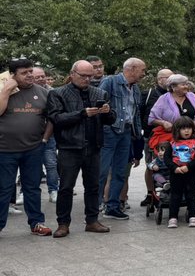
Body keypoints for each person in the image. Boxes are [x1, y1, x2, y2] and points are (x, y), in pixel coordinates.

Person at [46, 60, 114, 237]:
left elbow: (111, 120)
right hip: (69, 146)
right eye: (83, 76)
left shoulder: (100, 92)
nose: (87, 79)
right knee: (66, 187)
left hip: (93, 147)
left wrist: (107, 112)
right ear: (72, 74)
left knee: (93, 186)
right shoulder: (57, 93)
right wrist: (82, 114)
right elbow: (56, 119)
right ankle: (63, 224)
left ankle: (92, 220)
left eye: (90, 76)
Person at [0, 58, 53, 236]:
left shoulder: (43, 92)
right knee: (4, 188)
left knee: (32, 187)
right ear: (13, 75)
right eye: (24, 72)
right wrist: (7, 89)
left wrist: (44, 140)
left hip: (33, 149)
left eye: (31, 71)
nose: (30, 75)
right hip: (5, 150)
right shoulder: (4, 89)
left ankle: (37, 223)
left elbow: (51, 118)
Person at [97, 57, 147, 220]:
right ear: (132, 68)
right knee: (102, 172)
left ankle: (113, 206)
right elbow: (99, 106)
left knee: (120, 172)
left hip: (126, 133)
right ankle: (94, 208)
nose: (144, 74)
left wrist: (137, 133)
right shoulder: (109, 82)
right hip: (109, 132)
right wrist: (105, 128)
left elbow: (136, 113)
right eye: (142, 70)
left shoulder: (136, 89)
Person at [138, 68, 173, 207]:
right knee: (152, 166)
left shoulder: (177, 94)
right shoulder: (148, 94)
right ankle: (150, 193)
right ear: (159, 79)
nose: (171, 81)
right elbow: (140, 115)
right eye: (168, 78)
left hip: (173, 137)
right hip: (152, 137)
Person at [166, 117, 195, 228]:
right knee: (175, 195)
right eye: (183, 129)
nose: (186, 131)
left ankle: (193, 216)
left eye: (189, 128)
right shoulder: (172, 143)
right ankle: (173, 217)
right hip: (176, 173)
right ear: (177, 130)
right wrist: (174, 168)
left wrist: (189, 167)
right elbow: (167, 159)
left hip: (191, 173)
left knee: (191, 195)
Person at [31, 66, 59, 204]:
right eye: (38, 77)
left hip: (49, 134)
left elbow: (54, 117)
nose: (41, 78)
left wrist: (46, 137)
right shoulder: (25, 92)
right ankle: (25, 192)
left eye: (43, 76)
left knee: (51, 164)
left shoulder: (52, 92)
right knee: (30, 166)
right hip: (29, 136)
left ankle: (53, 190)